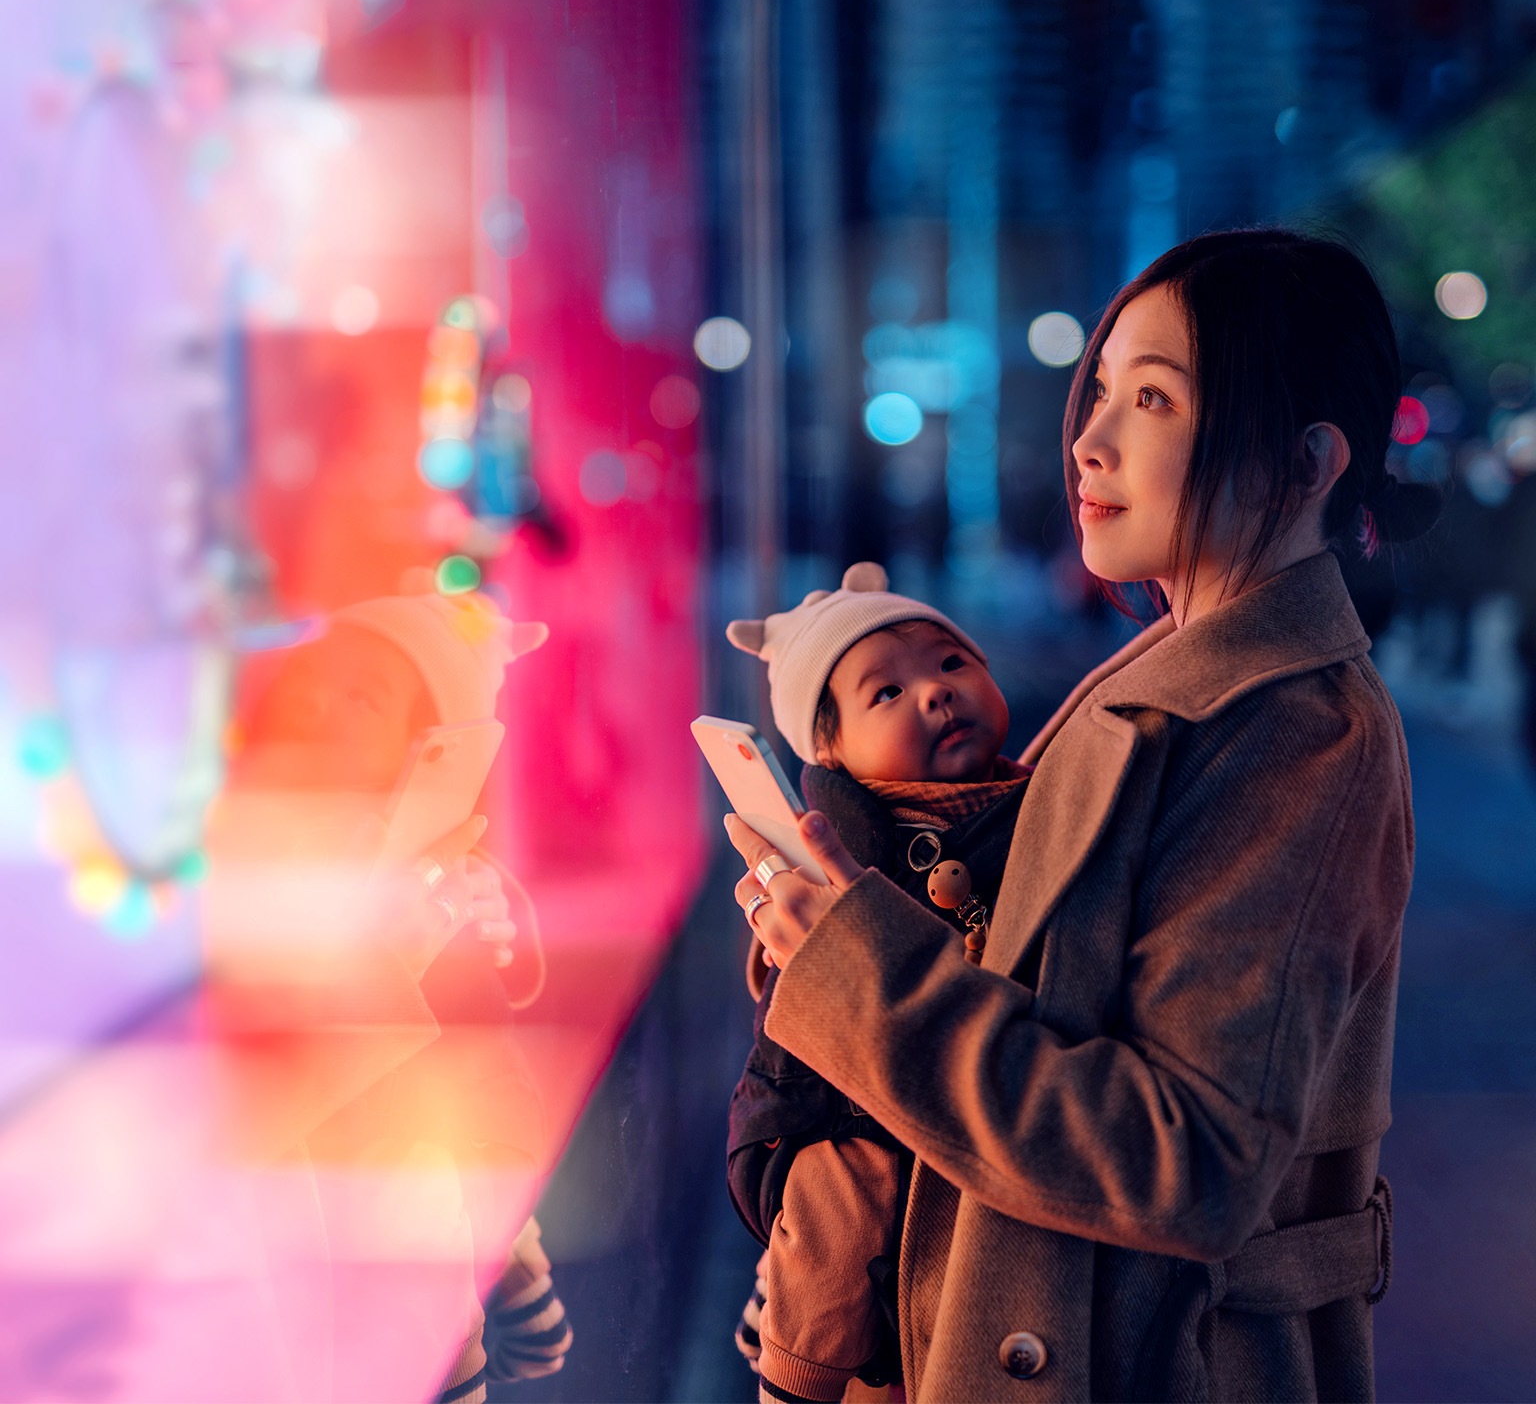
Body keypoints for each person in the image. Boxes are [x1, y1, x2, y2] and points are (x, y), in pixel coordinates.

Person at [726, 228, 1438, 1402]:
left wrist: (860, 973)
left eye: (1152, 398)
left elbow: (1188, 1160)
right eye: (1101, 391)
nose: (1089, 441)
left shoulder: (1298, 736)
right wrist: (835, 926)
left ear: (1306, 462)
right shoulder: (1176, 678)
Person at [206, 591, 572, 1404]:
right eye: (309, 679)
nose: (319, 704)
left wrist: (510, 1243)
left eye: (363, 697)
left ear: (428, 748)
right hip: (309, 1212)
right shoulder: (241, 843)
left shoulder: (437, 874)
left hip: (416, 1204)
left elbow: (485, 1057)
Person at [723, 562, 1028, 1402]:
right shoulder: (841, 840)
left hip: (959, 1092)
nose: (935, 691)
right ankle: (791, 1370)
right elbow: (787, 973)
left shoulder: (1037, 798)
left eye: (952, 662)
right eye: (886, 693)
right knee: (842, 1191)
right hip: (841, 1103)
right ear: (830, 753)